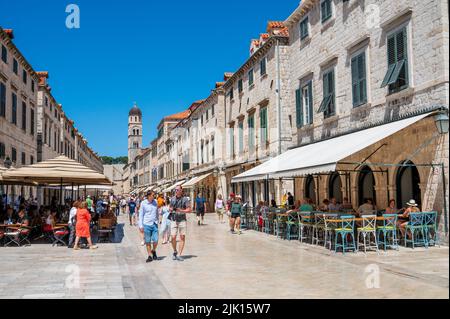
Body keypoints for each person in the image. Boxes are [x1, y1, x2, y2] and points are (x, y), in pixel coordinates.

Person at [169, 185, 192, 261]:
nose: (176, 191)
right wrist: (171, 209)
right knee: (173, 237)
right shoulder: (172, 199)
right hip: (174, 219)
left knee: (182, 237)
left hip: (182, 220)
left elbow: (189, 210)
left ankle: (179, 254)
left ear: (181, 190)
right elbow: (170, 208)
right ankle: (175, 251)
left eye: (177, 190)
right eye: (175, 190)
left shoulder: (185, 199)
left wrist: (181, 211)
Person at [139, 191, 160, 263]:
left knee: (156, 240)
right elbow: (141, 214)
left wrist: (158, 220)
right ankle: (150, 256)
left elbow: (157, 211)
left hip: (154, 224)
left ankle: (153, 250)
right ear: (148, 196)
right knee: (147, 241)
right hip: (146, 224)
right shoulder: (143, 203)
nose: (154, 196)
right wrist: (140, 225)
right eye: (153, 195)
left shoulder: (155, 202)